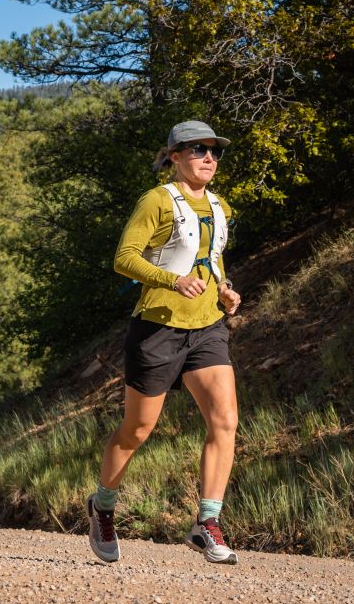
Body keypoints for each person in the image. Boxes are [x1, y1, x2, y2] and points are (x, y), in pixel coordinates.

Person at [87, 120, 243, 565]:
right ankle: (102, 506)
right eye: (198, 150)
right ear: (174, 156)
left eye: (215, 152)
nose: (209, 159)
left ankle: (206, 522)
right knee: (137, 430)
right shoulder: (156, 201)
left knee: (225, 421)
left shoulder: (219, 206)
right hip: (157, 327)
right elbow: (124, 259)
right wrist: (172, 281)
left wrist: (225, 289)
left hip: (208, 328)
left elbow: (211, 258)